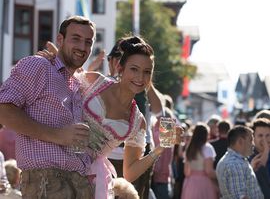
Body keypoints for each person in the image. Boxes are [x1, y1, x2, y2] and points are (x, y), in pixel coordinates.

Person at [41, 35, 182, 198]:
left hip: (91, 179)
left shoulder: (138, 121)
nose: (140, 77)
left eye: (147, 72)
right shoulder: (94, 81)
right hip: (56, 157)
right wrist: (53, 61)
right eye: (134, 69)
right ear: (120, 68)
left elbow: (129, 173)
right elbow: (59, 88)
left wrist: (160, 148)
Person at [0, 15, 95, 198]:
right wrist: (58, 135)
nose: (82, 47)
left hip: (79, 183)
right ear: (60, 39)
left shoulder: (76, 83)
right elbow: (3, 110)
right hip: (46, 181)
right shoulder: (38, 65)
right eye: (76, 39)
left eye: (88, 42)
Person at [216, 125, 264, 199]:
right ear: (240, 141)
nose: (253, 144)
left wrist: (251, 170)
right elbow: (240, 196)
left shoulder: (231, 160)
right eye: (251, 140)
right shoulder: (235, 164)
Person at [181, 122, 219, 199]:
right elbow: (209, 171)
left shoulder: (189, 148)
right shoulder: (207, 148)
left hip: (190, 183)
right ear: (206, 135)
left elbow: (186, 172)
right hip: (204, 183)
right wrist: (219, 175)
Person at [249, 118, 270, 198]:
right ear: (253, 138)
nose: (265, 139)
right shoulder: (247, 159)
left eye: (268, 135)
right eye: (260, 136)